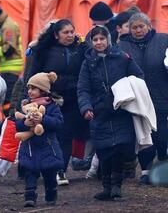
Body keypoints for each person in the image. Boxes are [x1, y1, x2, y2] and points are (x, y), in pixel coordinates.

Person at [77, 26, 143, 200]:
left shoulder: (122, 58)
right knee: (104, 151)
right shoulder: (87, 62)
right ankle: (107, 187)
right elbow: (83, 89)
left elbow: (138, 77)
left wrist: (126, 93)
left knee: (120, 150)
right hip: (99, 113)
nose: (99, 42)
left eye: (102, 39)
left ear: (108, 39)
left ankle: (117, 186)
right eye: (95, 39)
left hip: (121, 111)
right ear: (91, 42)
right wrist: (86, 107)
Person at [25, 19, 89, 186]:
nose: (70, 35)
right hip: (49, 101)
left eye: (71, 31)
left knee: (66, 135)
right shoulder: (44, 51)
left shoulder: (81, 49)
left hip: (73, 100)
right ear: (56, 34)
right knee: (47, 135)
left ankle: (60, 170)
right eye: (65, 32)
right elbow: (34, 76)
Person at [118, 12, 168, 184]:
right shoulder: (122, 46)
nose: (138, 30)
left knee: (161, 134)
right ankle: (145, 170)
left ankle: (162, 163)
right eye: (134, 27)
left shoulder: (163, 40)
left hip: (161, 95)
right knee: (142, 135)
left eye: (141, 26)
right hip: (137, 99)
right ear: (130, 30)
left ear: (149, 26)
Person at [16, 72, 64, 207]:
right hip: (30, 146)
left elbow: (58, 123)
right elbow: (18, 124)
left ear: (42, 90)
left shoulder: (52, 106)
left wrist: (43, 120)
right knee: (30, 172)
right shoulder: (26, 106)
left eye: (34, 88)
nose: (30, 91)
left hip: (48, 145)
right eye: (29, 88)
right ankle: (30, 196)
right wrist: (24, 123)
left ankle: (51, 193)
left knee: (49, 172)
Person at [0, 2, 24, 116]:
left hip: (11, 67)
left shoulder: (8, 26)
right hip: (4, 68)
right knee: (5, 98)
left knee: (9, 99)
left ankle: (10, 120)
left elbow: (9, 50)